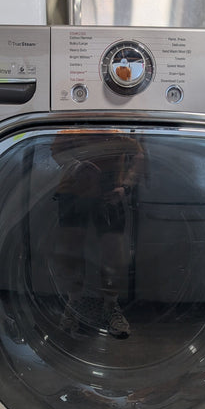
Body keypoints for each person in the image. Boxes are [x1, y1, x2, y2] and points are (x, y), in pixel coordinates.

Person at [50, 133, 146, 338]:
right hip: (74, 191)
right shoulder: (73, 123)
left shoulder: (116, 126)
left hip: (108, 191)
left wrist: (126, 187)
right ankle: (74, 304)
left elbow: (138, 155)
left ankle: (110, 306)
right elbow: (56, 151)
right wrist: (77, 166)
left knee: (113, 252)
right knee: (71, 251)